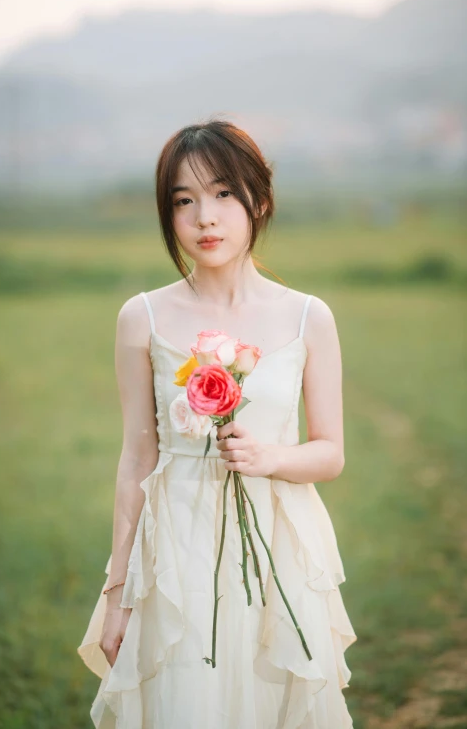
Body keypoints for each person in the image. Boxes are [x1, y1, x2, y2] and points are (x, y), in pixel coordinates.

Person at [77, 119, 357, 728]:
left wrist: (272, 458)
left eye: (224, 193)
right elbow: (136, 459)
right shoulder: (141, 317)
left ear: (259, 199)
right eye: (184, 200)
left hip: (278, 545)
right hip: (175, 552)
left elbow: (330, 453)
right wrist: (117, 594)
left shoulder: (310, 318)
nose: (206, 217)